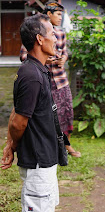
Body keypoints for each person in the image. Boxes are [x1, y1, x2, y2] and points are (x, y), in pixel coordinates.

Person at [1, 13, 60, 211]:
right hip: (38, 161)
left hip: (45, 158)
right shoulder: (31, 75)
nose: (56, 37)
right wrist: (13, 144)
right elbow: (18, 121)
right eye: (52, 33)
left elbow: (17, 111)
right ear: (40, 39)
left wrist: (9, 143)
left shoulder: (38, 69)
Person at [20, 1, 80, 157]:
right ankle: (51, 146)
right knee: (49, 115)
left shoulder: (60, 34)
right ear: (48, 15)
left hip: (61, 80)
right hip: (44, 81)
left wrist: (63, 60)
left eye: (61, 14)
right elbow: (23, 56)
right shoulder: (34, 31)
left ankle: (66, 145)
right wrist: (44, 60)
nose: (61, 18)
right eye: (58, 14)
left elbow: (65, 52)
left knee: (66, 113)